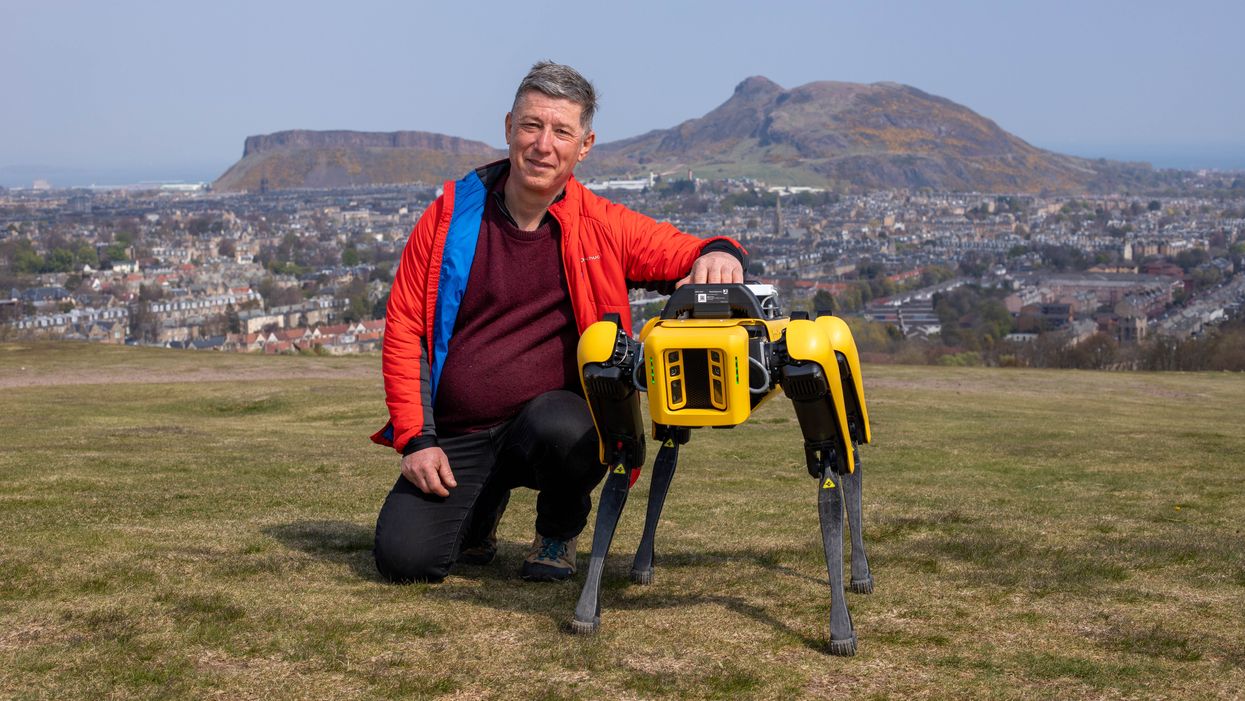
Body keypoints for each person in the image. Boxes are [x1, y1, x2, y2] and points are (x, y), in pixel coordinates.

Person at [371, 61, 745, 584]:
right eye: (531, 125)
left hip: (552, 428)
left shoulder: (600, 225)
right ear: (508, 127)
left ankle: (557, 530)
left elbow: (683, 250)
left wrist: (721, 253)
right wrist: (416, 439)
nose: (543, 144)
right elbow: (406, 329)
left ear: (584, 145)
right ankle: (479, 513)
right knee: (405, 562)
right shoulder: (449, 218)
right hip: (458, 431)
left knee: (576, 426)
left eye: (561, 131)